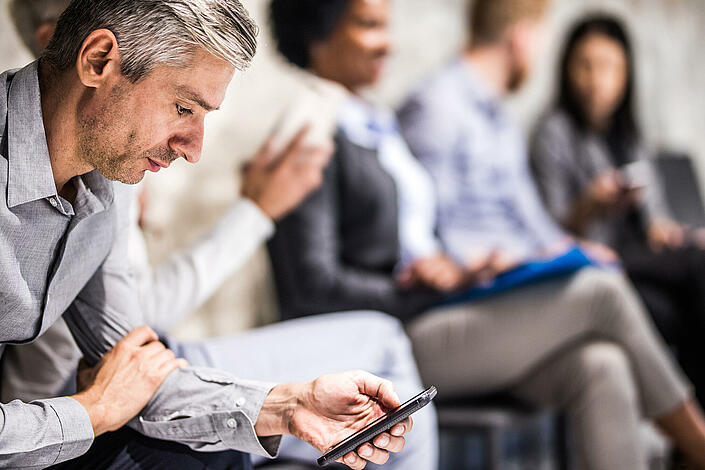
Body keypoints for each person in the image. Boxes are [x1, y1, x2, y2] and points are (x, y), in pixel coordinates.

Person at [265, 0, 705, 467]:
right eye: (370, 25)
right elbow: (311, 289)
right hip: (397, 336)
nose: (389, 43)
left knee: (601, 363)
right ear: (319, 34)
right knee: (603, 293)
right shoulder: (310, 132)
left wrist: (462, 268)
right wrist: (429, 282)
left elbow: (418, 239)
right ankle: (698, 446)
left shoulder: (370, 124)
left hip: (433, 313)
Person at [2, 2, 437, 469]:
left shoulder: (104, 178)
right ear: (99, 59)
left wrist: (289, 406)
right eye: (183, 107)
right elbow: (108, 397)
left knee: (209, 455)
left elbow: (137, 370)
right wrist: (90, 412)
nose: (194, 149)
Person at [529, 14, 705, 408]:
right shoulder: (552, 133)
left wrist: (666, 230)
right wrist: (590, 203)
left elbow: (655, 220)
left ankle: (689, 447)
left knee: (683, 306)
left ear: (626, 74)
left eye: (609, 67)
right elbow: (545, 234)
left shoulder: (630, 137)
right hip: (597, 260)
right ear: (566, 69)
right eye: (585, 65)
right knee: (696, 269)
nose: (597, 80)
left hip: (641, 260)